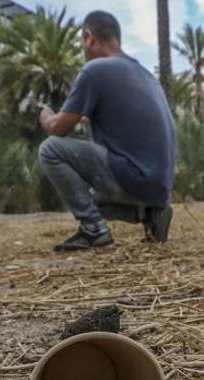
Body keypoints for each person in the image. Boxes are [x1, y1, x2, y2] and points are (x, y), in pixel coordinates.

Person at [38, 10, 176, 252]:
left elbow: (57, 129)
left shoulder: (95, 70)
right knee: (92, 198)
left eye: (83, 41)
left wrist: (45, 114)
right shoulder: (146, 76)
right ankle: (152, 212)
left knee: (50, 149)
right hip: (159, 187)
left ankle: (94, 229)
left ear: (89, 37)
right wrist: (86, 119)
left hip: (133, 176)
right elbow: (127, 122)